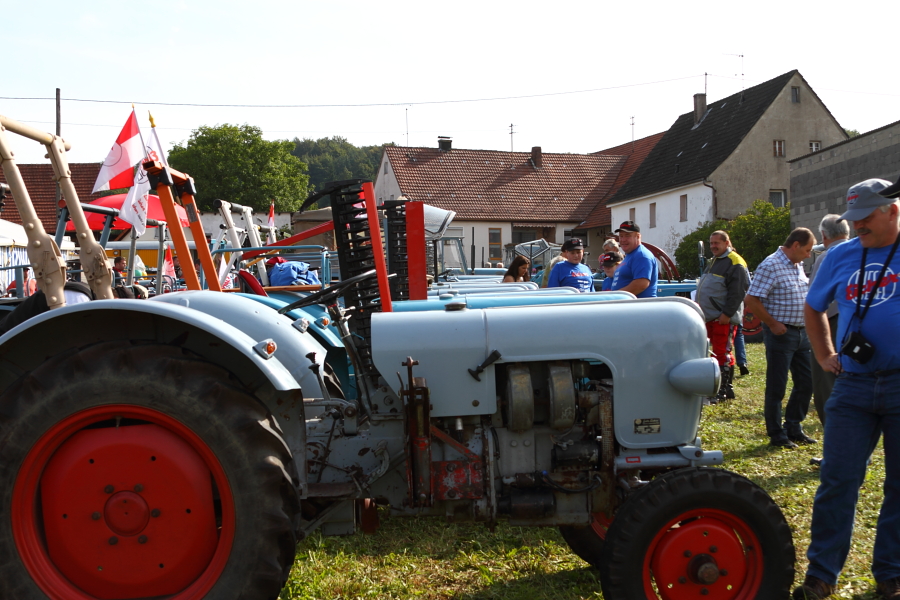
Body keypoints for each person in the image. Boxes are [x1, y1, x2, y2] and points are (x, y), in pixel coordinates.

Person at [793, 178, 900, 600]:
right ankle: (822, 575)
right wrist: (824, 354)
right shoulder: (840, 255)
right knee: (837, 480)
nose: (857, 226)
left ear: (892, 211)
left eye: (865, 217)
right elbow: (813, 306)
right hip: (853, 385)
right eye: (852, 219)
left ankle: (892, 574)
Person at [744, 227, 816, 448]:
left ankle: (793, 427)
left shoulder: (797, 264)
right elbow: (751, 299)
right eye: (807, 250)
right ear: (795, 245)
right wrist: (773, 323)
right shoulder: (770, 265)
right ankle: (776, 434)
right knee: (778, 386)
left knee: (807, 382)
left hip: (802, 333)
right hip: (781, 334)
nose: (808, 255)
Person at [695, 231, 750, 402]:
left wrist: (727, 314)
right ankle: (719, 389)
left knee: (722, 353)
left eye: (716, 243)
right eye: (711, 243)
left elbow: (738, 291)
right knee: (714, 353)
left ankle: (724, 390)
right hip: (710, 317)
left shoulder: (735, 262)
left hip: (722, 318)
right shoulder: (714, 261)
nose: (713, 246)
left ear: (726, 243)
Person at [809, 214, 850, 426]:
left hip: (832, 323)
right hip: (859, 324)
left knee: (826, 380)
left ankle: (834, 431)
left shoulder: (827, 257)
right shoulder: (863, 252)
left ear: (824, 235)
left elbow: (814, 300)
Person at [610, 221, 658, 298]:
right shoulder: (631, 255)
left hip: (639, 304)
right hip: (629, 304)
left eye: (627, 236)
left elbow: (641, 284)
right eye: (621, 236)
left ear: (638, 236)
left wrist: (615, 297)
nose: (623, 240)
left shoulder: (641, 256)